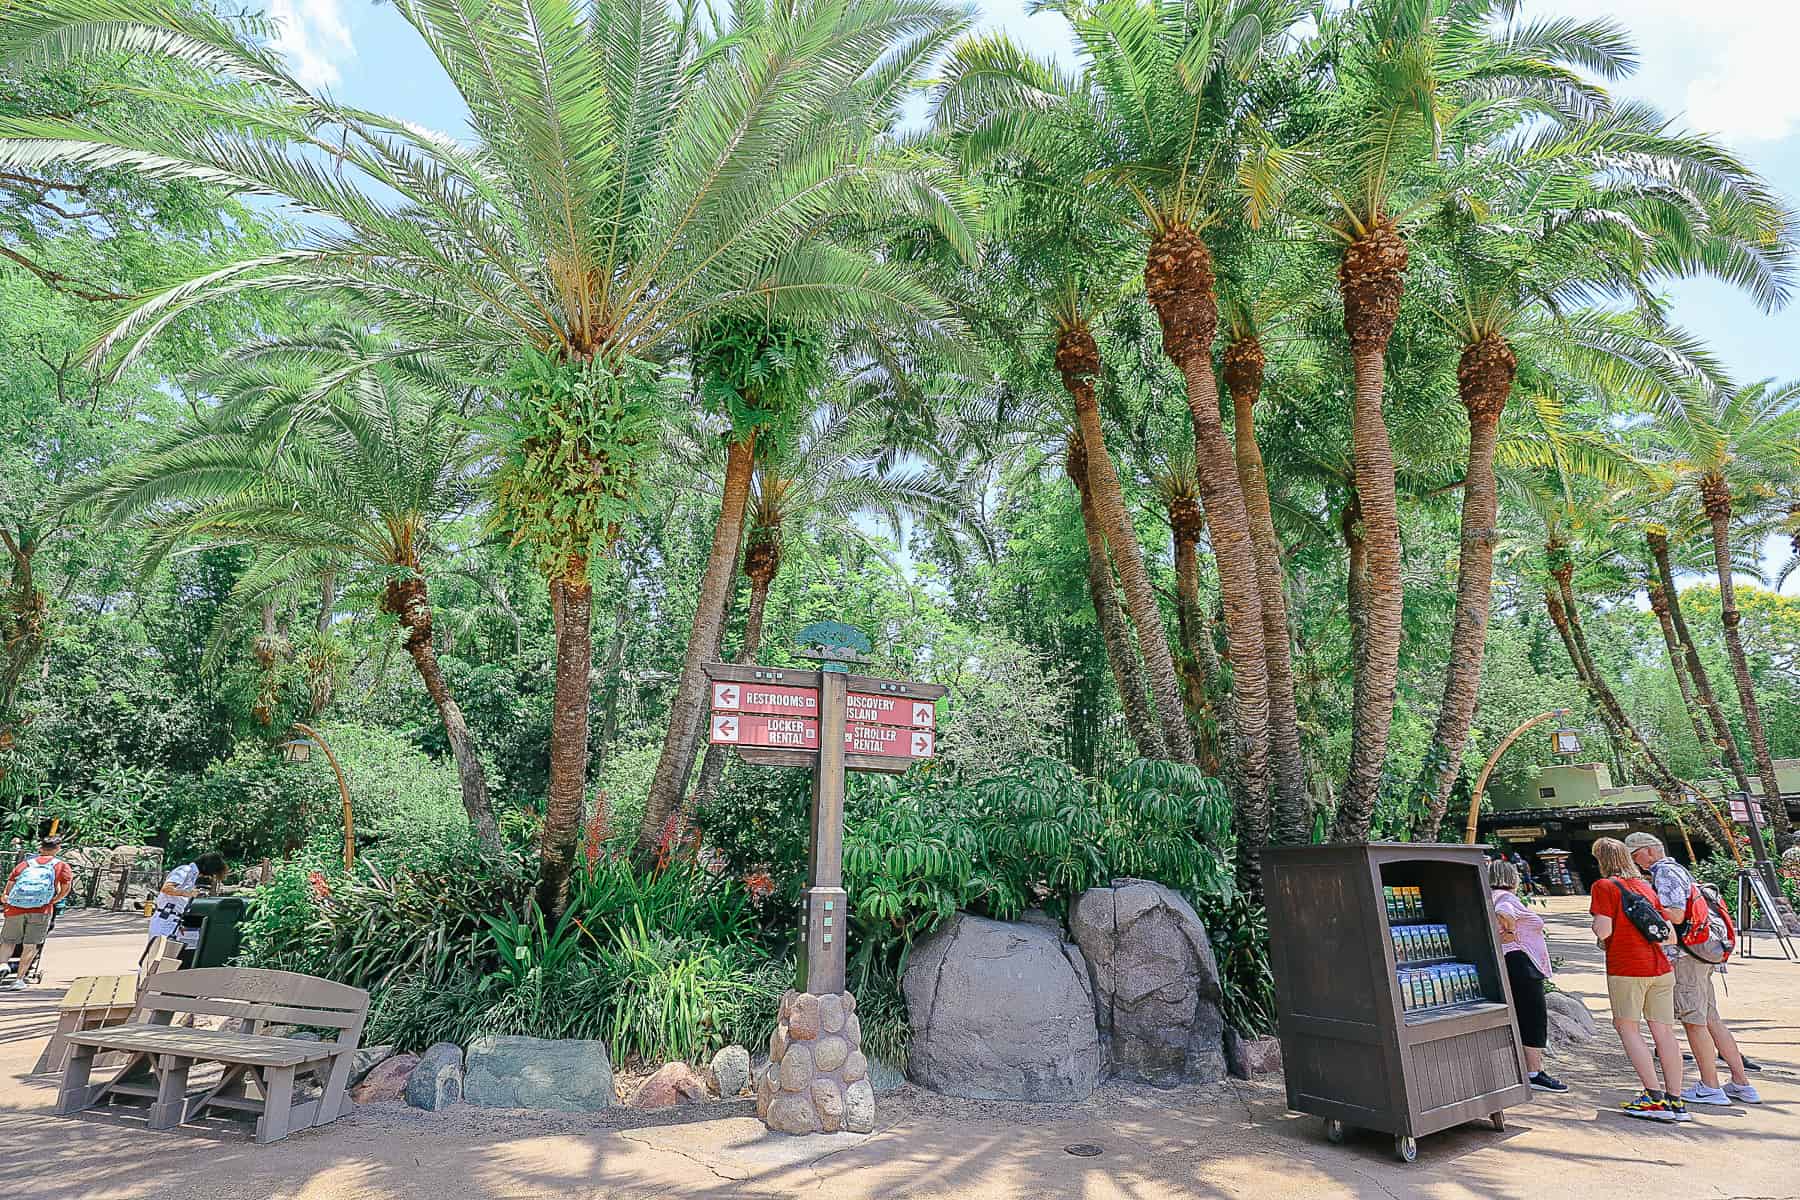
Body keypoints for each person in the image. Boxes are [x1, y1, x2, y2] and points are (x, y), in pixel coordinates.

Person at [1625, 832, 1760, 1106]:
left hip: (1686, 958)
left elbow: (1674, 914)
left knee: (1694, 1022)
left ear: (1650, 851)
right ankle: (1740, 1083)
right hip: (1702, 952)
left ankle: (1710, 1086)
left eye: (1636, 855)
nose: (1636, 862)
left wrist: (1643, 909)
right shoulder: (1679, 869)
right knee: (1711, 1018)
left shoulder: (1664, 873)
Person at [1589, 836, 1688, 1122]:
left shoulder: (1604, 886)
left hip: (1627, 967)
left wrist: (1597, 920)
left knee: (1628, 1028)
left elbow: (1603, 931)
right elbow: (1669, 933)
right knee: (1664, 1033)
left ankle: (1653, 1097)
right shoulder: (1645, 885)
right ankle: (1676, 1101)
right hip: (1661, 967)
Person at [1489, 858, 1565, 1092]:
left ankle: (1528, 1068)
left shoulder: (1490, 895)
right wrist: (1510, 931)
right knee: (1533, 1016)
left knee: (1523, 1015)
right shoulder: (1505, 898)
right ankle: (1534, 1071)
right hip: (1522, 963)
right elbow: (1503, 912)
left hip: (1515, 962)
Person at [2, 836, 75, 991]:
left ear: (40, 848)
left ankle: (3, 964)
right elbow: (66, 887)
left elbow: (10, 885)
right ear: (58, 849)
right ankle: (19, 979)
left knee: (8, 941)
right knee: (31, 944)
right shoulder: (61, 865)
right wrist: (55, 900)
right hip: (41, 909)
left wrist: (8, 900)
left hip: (15, 908)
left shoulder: (25, 864)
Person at [148, 852, 227, 959]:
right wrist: (188, 893)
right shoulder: (185, 870)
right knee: (156, 956)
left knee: (168, 958)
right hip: (165, 919)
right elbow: (166, 888)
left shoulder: (192, 875)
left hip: (173, 920)